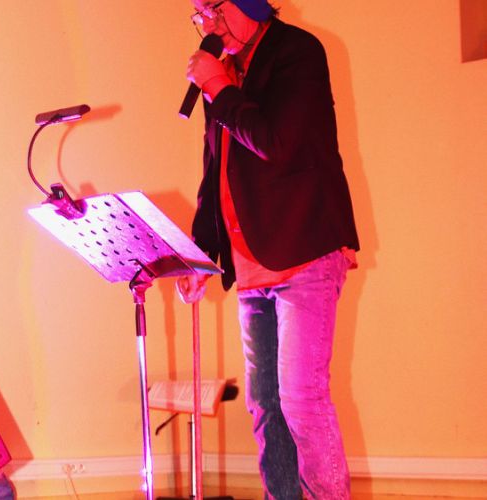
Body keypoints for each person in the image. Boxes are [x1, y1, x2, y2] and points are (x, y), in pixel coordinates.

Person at [176, 0, 360, 498]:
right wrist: (200, 254)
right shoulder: (227, 73)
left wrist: (219, 87)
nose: (208, 24)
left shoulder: (297, 52)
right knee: (266, 405)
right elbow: (215, 171)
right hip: (251, 265)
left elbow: (276, 142)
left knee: (302, 399)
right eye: (199, 14)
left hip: (304, 251)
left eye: (214, 8)